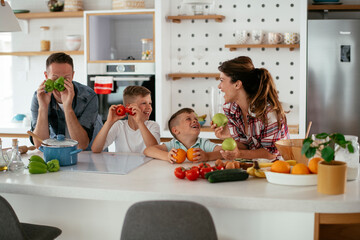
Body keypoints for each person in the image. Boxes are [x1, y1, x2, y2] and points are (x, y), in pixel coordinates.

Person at [212, 56, 289, 160]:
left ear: (237, 84)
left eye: (222, 80)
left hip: (277, 170)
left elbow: (271, 153)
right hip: (253, 168)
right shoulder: (231, 110)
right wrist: (227, 136)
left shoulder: (268, 113)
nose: (219, 86)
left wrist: (238, 154)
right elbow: (245, 145)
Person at [31, 52, 102, 150]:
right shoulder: (39, 96)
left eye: (66, 78)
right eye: (55, 78)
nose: (61, 84)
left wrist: (67, 107)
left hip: (90, 153)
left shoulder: (88, 96)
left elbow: (81, 145)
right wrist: (43, 107)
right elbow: (40, 145)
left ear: (72, 76)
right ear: (46, 76)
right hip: (58, 151)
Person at [91, 86, 160, 153]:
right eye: (144, 103)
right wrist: (109, 122)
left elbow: (155, 150)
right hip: (122, 164)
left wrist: (140, 122)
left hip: (147, 165)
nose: (149, 107)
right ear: (129, 107)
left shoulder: (153, 126)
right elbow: (95, 149)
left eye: (150, 103)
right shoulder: (119, 126)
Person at [144, 108, 222, 163]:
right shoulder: (172, 145)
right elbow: (148, 150)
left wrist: (207, 156)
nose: (195, 120)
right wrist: (167, 156)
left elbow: (225, 152)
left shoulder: (204, 144)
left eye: (196, 119)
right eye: (188, 119)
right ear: (176, 130)